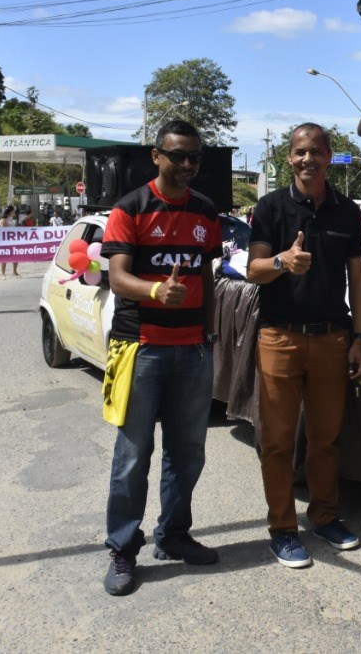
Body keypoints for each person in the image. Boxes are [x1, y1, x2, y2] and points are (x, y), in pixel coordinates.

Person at [99, 119, 222, 596]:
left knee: (187, 452)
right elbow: (117, 276)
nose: (187, 165)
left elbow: (207, 278)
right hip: (141, 348)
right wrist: (155, 289)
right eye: (178, 155)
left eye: (194, 157)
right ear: (157, 156)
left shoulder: (206, 212)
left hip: (191, 349)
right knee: (133, 455)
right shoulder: (129, 208)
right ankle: (123, 549)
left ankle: (173, 535)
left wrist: (208, 333)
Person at [247, 123, 361, 569]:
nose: (307, 159)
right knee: (278, 442)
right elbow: (252, 270)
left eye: (315, 151)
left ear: (329, 155)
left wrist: (359, 338)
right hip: (279, 338)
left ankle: (325, 517)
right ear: (288, 157)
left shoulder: (347, 212)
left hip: (332, 340)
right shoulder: (270, 207)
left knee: (326, 439)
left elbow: (358, 279)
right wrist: (282, 261)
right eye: (300, 152)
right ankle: (282, 529)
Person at [0, 205, 20, 278]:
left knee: (16, 256)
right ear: (10, 211)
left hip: (13, 240)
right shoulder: (4, 219)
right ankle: (3, 274)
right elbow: (3, 230)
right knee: (4, 257)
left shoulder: (11, 219)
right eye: (13, 211)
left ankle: (14, 271)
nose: (14, 212)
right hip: (6, 240)